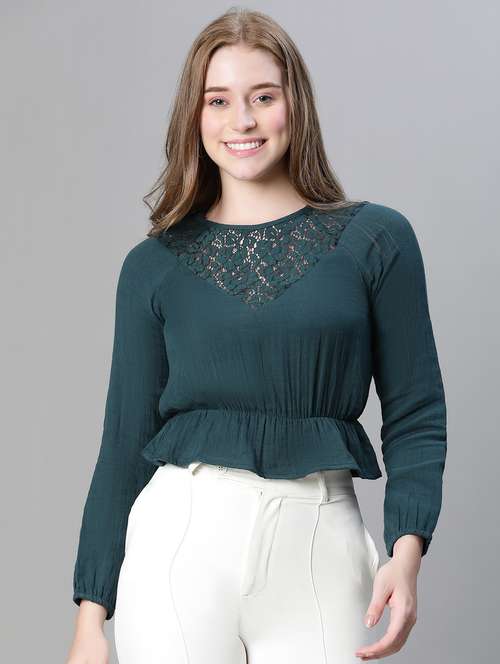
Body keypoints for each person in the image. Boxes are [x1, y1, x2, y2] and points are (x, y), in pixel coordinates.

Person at [66, 8, 447, 664]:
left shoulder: (377, 240)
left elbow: (416, 413)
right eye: (218, 100)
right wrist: (90, 616)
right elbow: (124, 443)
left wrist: (406, 552)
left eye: (263, 97)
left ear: (296, 106)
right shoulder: (153, 265)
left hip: (320, 545)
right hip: (179, 546)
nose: (241, 120)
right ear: (194, 116)